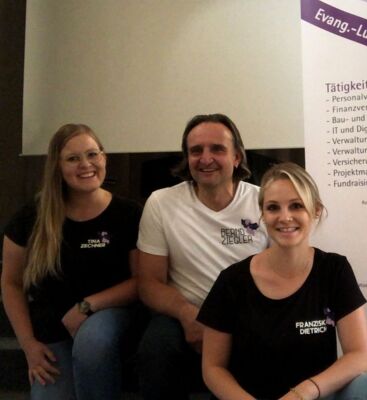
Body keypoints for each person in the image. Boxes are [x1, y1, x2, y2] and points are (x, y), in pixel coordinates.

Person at [198, 162, 367, 400]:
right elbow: (213, 368)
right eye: (273, 207)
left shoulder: (334, 270)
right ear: (263, 214)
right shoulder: (232, 281)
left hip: (315, 396)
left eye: (296, 205)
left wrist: (303, 392)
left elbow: (359, 356)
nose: (285, 217)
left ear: (315, 210)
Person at [1, 123, 143, 400]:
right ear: (57, 166)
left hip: (109, 319)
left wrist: (87, 306)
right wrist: (28, 345)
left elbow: (142, 281)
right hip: (52, 332)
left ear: (104, 157)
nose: (85, 165)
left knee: (92, 341)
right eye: (73, 158)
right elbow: (11, 283)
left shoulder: (129, 214)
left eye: (92, 154)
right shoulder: (32, 216)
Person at [136, 114, 269, 399]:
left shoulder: (264, 202)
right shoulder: (161, 203)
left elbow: (283, 274)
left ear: (237, 157)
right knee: (155, 347)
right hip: (185, 313)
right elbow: (149, 284)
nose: (205, 158)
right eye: (196, 151)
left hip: (247, 316)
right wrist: (188, 315)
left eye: (217, 149)